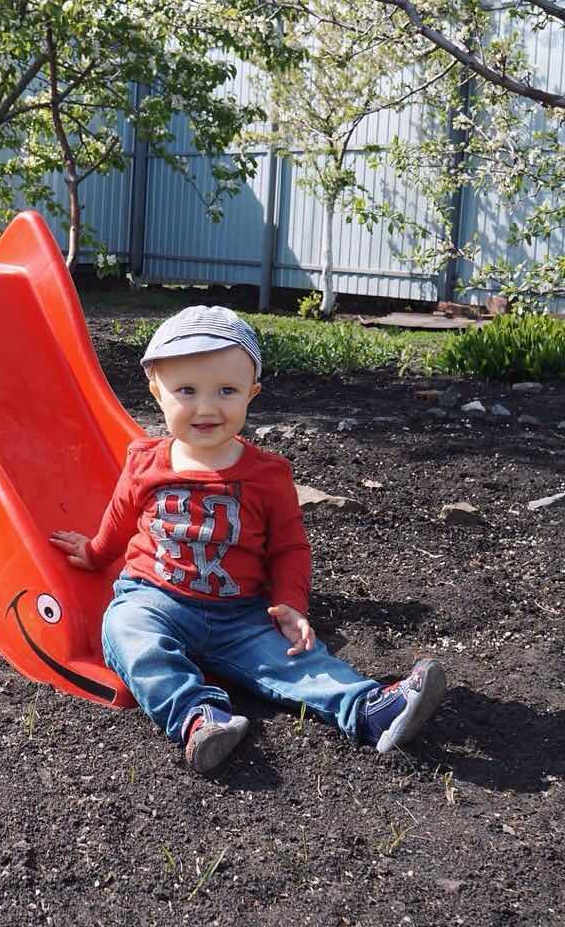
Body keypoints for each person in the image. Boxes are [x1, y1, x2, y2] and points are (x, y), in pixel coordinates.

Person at [50, 305, 446, 774]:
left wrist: (291, 605)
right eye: (186, 390)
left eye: (227, 390)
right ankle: (199, 717)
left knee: (295, 659)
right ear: (156, 391)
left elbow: (289, 548)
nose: (207, 407)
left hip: (240, 613)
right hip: (155, 599)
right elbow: (121, 517)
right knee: (127, 632)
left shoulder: (267, 475)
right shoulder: (145, 461)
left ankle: (369, 709)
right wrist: (95, 553)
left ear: (251, 393)